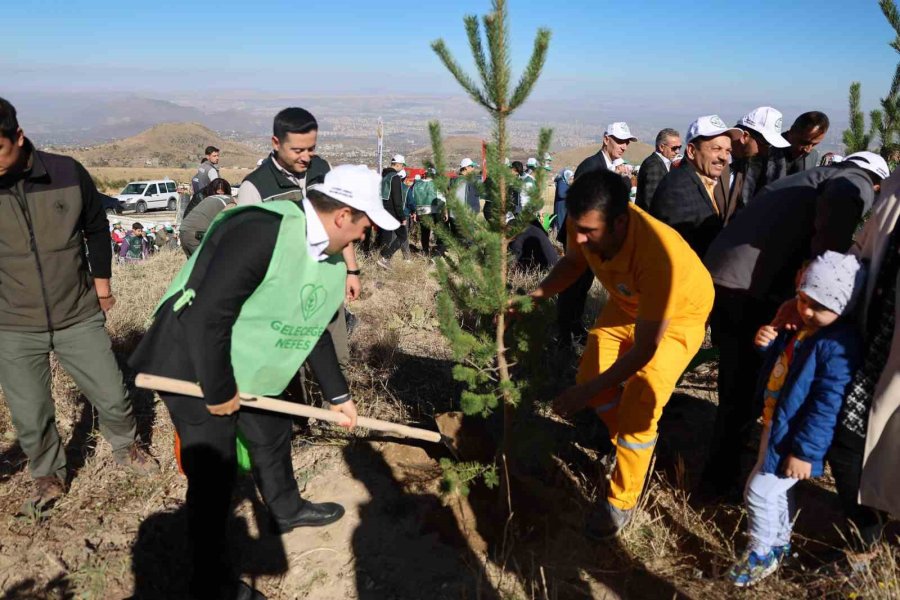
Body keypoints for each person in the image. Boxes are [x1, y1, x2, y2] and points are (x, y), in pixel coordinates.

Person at [129, 164, 398, 600]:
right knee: (213, 476)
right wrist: (219, 392)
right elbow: (207, 315)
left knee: (270, 431)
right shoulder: (263, 230)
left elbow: (309, 324)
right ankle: (210, 583)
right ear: (343, 215)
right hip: (191, 364)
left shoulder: (324, 257)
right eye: (364, 224)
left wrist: (338, 396)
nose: (364, 236)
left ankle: (286, 508)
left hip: (244, 357)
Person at [523, 169, 714, 538]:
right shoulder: (587, 224)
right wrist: (532, 298)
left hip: (678, 316)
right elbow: (574, 263)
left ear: (621, 222)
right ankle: (620, 442)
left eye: (589, 233)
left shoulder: (659, 257)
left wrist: (583, 395)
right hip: (627, 307)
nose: (578, 239)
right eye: (576, 229)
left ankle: (621, 501)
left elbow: (645, 350)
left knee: (642, 393)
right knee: (590, 374)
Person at [699, 151, 889, 500]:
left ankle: (723, 467)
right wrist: (819, 290)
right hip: (749, 287)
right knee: (747, 387)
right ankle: (719, 479)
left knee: (737, 385)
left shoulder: (813, 176)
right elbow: (830, 240)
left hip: (727, 277)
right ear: (876, 183)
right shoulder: (854, 182)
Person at [0, 97, 155, 515]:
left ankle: (127, 447)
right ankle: (48, 475)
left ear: (18, 136)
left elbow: (96, 227)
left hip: (77, 313)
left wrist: (102, 288)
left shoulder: (67, 172)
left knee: (112, 393)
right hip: (13, 323)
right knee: (31, 414)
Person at [726, 252, 864, 587]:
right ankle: (778, 542)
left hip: (794, 434)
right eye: (803, 300)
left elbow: (826, 405)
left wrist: (806, 453)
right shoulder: (805, 329)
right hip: (776, 423)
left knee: (758, 491)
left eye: (819, 306)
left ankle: (761, 551)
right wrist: (767, 344)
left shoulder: (837, 345)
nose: (807, 310)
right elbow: (784, 367)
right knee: (774, 491)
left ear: (843, 306)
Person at [236, 107, 361, 368]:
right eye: (298, 150)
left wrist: (352, 270)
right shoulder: (255, 187)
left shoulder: (324, 170)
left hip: (327, 281)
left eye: (311, 148)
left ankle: (332, 407)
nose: (306, 157)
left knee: (338, 362)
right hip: (286, 294)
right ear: (276, 143)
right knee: (294, 368)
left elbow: (342, 223)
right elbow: (248, 251)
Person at [648, 114, 741, 258]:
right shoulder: (677, 189)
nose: (724, 157)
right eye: (716, 149)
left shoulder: (705, 181)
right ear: (691, 151)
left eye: (727, 151)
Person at [729, 106, 792, 204]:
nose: (765, 151)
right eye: (764, 144)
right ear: (745, 136)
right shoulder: (715, 160)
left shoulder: (750, 162)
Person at [180, 183, 236, 257]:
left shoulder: (213, 197)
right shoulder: (232, 204)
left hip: (183, 230)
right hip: (196, 235)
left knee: (193, 266)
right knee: (208, 264)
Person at [635, 128, 681, 210]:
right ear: (662, 147)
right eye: (674, 148)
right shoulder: (654, 165)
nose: (677, 151)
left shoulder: (659, 162)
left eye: (679, 147)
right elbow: (652, 201)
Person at [378, 155, 410, 266]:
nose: (402, 167)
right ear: (398, 164)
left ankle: (382, 260)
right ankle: (386, 258)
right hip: (393, 212)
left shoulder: (384, 176)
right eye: (402, 165)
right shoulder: (395, 177)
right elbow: (397, 200)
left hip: (383, 210)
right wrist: (402, 217)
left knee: (386, 237)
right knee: (402, 236)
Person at [407, 167, 446, 256]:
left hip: (421, 211)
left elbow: (412, 199)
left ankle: (425, 250)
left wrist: (414, 212)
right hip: (434, 210)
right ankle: (437, 251)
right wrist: (444, 211)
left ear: (425, 174)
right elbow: (442, 199)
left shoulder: (417, 184)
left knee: (425, 232)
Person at [778, 111, 830, 175]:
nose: (808, 150)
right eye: (805, 143)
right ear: (792, 131)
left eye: (814, 144)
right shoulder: (768, 150)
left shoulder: (813, 156)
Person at [552, 168, 574, 237]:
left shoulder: (565, 182)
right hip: (560, 208)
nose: (571, 180)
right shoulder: (561, 182)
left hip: (563, 207)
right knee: (560, 225)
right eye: (570, 178)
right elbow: (561, 194)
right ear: (566, 176)